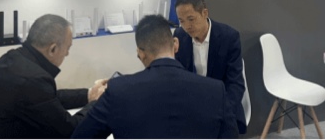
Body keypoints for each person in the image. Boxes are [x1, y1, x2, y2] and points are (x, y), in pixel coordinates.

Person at [71, 15, 238, 139]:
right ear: (175, 45)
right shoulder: (216, 90)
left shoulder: (118, 90)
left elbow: (81, 136)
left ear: (140, 53)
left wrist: (95, 100)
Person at [0, 14, 107, 139]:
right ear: (53, 49)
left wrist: (88, 94)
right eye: (68, 48)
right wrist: (95, 103)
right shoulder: (33, 79)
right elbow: (69, 131)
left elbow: (49, 100)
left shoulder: (15, 58)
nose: (67, 54)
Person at [173, 0, 246, 134]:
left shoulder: (229, 37)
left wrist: (222, 113)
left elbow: (235, 83)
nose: (187, 26)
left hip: (222, 104)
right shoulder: (179, 36)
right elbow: (178, 77)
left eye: (191, 19)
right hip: (192, 104)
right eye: (182, 21)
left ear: (204, 13)